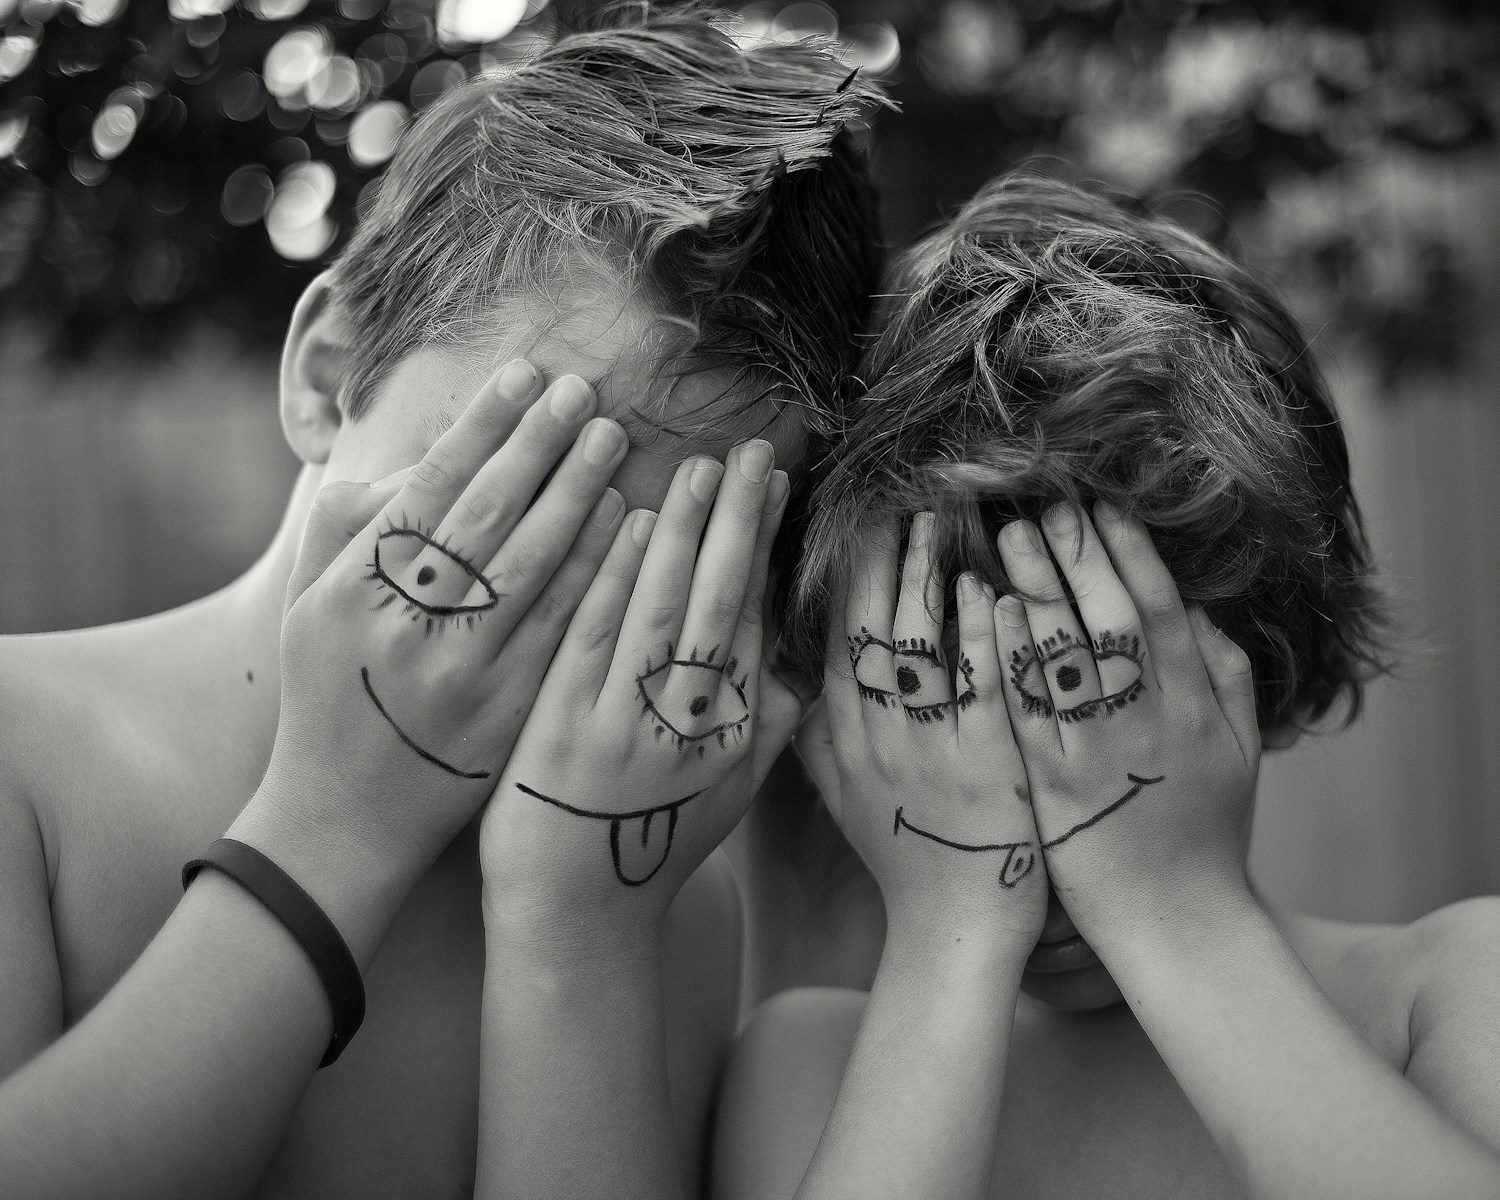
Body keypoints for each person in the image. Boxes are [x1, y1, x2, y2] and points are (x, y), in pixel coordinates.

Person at [0, 5, 881, 1197]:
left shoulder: (661, 894)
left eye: (672, 587)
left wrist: (583, 942)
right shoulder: (23, 755)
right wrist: (330, 831)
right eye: (520, 511)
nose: (563, 636)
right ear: (326, 376)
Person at [709, 172, 1500, 1199]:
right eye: (939, 711)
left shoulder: (1448, 990)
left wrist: (1174, 908)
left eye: (1092, 695)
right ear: (838, 727)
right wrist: (950, 943)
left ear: (1268, 667)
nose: (1038, 819)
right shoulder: (810, 1067)